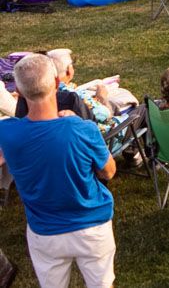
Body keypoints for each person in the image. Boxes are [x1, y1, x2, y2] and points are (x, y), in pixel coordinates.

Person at [0, 53, 116, 288]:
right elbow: (109, 172)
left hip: (44, 232)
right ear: (56, 83)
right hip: (92, 225)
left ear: (19, 92)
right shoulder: (82, 129)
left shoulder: (7, 133)